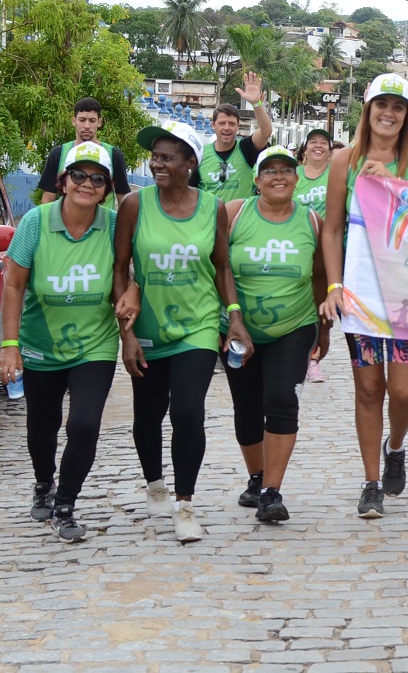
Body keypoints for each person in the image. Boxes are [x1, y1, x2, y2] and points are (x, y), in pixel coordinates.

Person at [113, 120, 253, 543]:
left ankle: (184, 503)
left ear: (190, 163)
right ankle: (154, 480)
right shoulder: (135, 205)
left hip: (197, 325)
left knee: (188, 412)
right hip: (149, 329)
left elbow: (222, 266)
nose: (157, 164)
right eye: (154, 156)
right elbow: (120, 269)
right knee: (147, 415)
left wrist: (233, 316)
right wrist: (127, 334)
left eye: (167, 158)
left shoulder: (212, 208)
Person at [319, 73, 408, 519]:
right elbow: (332, 228)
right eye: (380, 105)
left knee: (403, 392)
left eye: (398, 106)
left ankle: (397, 445)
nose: (388, 113)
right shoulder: (343, 161)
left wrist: (392, 183)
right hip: (362, 294)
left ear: (407, 114)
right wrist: (334, 287)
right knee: (369, 389)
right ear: (367, 110)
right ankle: (371, 481)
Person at [0, 143, 121, 543]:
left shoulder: (116, 225)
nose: (88, 184)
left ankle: (65, 505)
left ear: (107, 188)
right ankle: (43, 484)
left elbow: (131, 271)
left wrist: (133, 289)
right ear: (63, 180)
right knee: (43, 425)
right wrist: (10, 344)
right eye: (79, 175)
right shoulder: (34, 222)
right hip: (40, 342)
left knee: (84, 424)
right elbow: (14, 284)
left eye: (98, 178)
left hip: (95, 343)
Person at [223, 146, 330, 523]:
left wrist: (325, 327)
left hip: (294, 324)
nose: (278, 176)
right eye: (269, 170)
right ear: (256, 179)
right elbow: (217, 266)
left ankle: (272, 491)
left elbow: (319, 275)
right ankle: (255, 477)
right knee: (247, 407)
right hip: (238, 327)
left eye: (286, 169)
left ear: (297, 178)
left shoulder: (311, 222)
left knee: (281, 398)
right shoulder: (235, 214)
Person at [38, 97, 132, 206]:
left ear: (99, 122)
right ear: (74, 121)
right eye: (82, 120)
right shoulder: (58, 154)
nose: (87, 126)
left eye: (92, 121)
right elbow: (47, 199)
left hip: (104, 222)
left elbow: (124, 201)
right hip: (68, 222)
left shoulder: (113, 155)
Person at [197, 71, 273, 202]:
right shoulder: (201, 155)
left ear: (238, 126)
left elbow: (266, 132)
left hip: (241, 220)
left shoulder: (245, 149)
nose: (227, 128)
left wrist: (256, 104)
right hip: (212, 220)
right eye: (222, 123)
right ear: (213, 125)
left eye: (232, 124)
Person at [295, 129, 333, 384]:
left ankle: (316, 358)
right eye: (313, 142)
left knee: (325, 312)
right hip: (297, 251)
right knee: (299, 306)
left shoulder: (338, 174)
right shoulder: (293, 175)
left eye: (323, 143)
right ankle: (302, 358)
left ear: (330, 150)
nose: (318, 146)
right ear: (305, 149)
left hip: (329, 253)